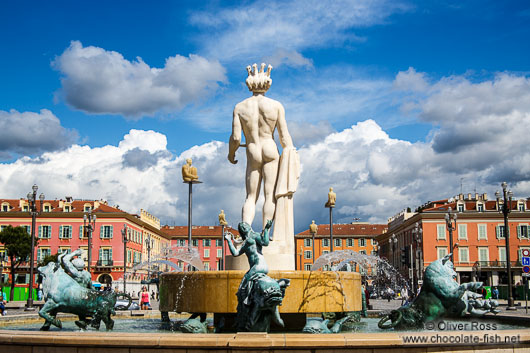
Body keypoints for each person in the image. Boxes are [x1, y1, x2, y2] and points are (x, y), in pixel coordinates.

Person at [228, 63, 299, 232]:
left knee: (251, 197)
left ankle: (246, 233)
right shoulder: (276, 106)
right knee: (269, 196)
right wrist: (291, 154)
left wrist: (231, 153)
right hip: (270, 148)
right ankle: (265, 234)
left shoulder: (240, 107)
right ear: (268, 84)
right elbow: (284, 136)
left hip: (252, 150)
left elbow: (236, 137)